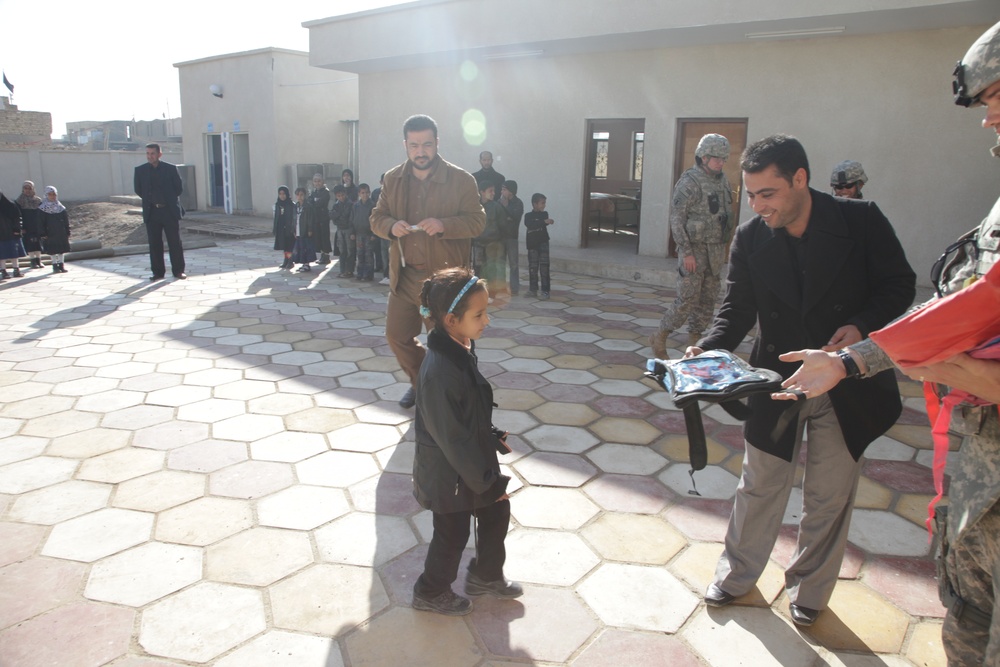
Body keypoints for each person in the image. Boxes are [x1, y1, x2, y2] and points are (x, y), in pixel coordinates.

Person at [774, 22, 1000, 662]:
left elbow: (929, 303)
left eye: (996, 98)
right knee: (966, 619)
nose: (988, 121)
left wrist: (861, 358)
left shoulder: (866, 222)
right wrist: (853, 360)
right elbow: (960, 310)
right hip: (980, 477)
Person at [693, 134, 916, 627]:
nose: (757, 205)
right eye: (750, 195)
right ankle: (736, 576)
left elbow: (899, 284)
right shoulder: (751, 236)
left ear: (800, 179)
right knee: (759, 484)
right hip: (779, 377)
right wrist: (708, 349)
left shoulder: (861, 220)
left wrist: (861, 326)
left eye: (767, 194)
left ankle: (810, 591)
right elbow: (736, 307)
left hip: (847, 379)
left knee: (829, 493)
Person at [411, 266, 521, 615]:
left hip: (467, 466)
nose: (486, 320)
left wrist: (490, 437)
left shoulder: (459, 348)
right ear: (450, 320)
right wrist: (488, 483)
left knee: (496, 510)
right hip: (449, 475)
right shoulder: (440, 372)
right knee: (453, 532)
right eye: (479, 314)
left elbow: (465, 417)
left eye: (486, 310)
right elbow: (453, 440)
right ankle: (430, 591)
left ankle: (486, 576)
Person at [370, 113, 486, 409]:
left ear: (437, 143)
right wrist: (390, 226)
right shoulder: (393, 179)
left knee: (449, 345)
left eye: (427, 145)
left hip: (444, 283)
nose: (420, 152)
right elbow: (376, 218)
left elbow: (477, 222)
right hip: (406, 277)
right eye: (414, 145)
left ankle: (456, 397)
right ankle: (421, 382)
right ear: (405, 145)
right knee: (397, 336)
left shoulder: (461, 180)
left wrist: (445, 224)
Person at [649, 134, 735, 357]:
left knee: (707, 300)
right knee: (687, 299)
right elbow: (677, 219)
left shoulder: (723, 181)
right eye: (717, 158)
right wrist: (686, 252)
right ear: (703, 157)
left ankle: (695, 345)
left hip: (715, 250)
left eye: (724, 159)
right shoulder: (689, 182)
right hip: (694, 251)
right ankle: (660, 335)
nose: (721, 163)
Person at [134, 143, 185, 281]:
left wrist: (167, 199)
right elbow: (138, 190)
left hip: (169, 211)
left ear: (159, 154)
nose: (150, 156)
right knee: (154, 243)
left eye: (153, 153)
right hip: (152, 212)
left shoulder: (170, 169)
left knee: (174, 242)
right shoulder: (140, 171)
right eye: (148, 153)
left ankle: (178, 271)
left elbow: (178, 189)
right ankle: (157, 272)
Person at [472, 181, 508, 297]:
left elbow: (503, 225)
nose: (493, 193)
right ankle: (477, 292)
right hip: (478, 242)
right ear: (482, 192)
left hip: (493, 243)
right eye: (490, 191)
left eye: (494, 191)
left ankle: (491, 293)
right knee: (477, 268)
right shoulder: (475, 207)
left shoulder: (497, 207)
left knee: (491, 269)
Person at [523, 192, 554, 299]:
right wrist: (543, 222)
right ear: (534, 204)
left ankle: (545, 290)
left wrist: (544, 221)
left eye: (544, 203)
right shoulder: (528, 216)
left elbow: (542, 222)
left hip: (543, 243)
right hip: (532, 245)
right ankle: (533, 289)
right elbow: (530, 224)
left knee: (544, 267)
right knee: (533, 268)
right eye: (542, 203)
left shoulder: (544, 214)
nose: (544, 205)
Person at [498, 180, 524, 296]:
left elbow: (515, 217)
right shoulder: (499, 202)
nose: (502, 191)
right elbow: (499, 218)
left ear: (511, 191)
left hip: (512, 237)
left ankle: (514, 288)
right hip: (500, 236)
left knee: (513, 264)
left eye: (504, 189)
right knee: (501, 263)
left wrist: (507, 208)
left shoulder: (518, 203)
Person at [39, 186, 71, 274]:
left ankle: (61, 265)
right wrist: (43, 233)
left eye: (54, 194)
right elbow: (41, 222)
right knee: (52, 250)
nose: (52, 196)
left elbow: (66, 220)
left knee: (61, 249)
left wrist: (67, 231)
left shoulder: (60, 207)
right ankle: (54, 265)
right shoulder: (43, 208)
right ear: (46, 195)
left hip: (61, 231)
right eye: (50, 194)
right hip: (50, 232)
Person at [15, 181, 43, 270]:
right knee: (30, 243)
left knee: (38, 242)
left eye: (29, 188)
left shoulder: (38, 200)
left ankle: (39, 260)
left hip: (36, 225)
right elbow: (18, 215)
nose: (27, 190)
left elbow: (41, 214)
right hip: (26, 225)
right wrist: (21, 227)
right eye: (25, 188)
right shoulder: (19, 201)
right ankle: (32, 261)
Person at [352, 183, 376, 281]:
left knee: (368, 255)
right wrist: (352, 232)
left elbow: (375, 221)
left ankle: (368, 274)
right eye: (362, 193)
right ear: (359, 194)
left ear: (369, 193)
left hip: (369, 234)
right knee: (360, 254)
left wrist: (374, 234)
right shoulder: (356, 206)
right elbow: (352, 219)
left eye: (366, 193)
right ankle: (360, 273)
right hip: (358, 234)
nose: (365, 195)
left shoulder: (372, 205)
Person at [308, 173, 332, 266]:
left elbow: (320, 203)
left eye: (319, 181)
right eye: (315, 181)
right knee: (318, 236)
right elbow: (310, 202)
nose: (317, 183)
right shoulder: (314, 192)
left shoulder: (326, 192)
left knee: (324, 236)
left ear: (323, 182)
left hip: (323, 218)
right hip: (316, 217)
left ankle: (326, 255)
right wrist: (314, 202)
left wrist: (314, 202)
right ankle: (322, 254)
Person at [291, 187, 317, 273]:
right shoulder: (296, 206)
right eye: (298, 195)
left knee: (306, 247)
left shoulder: (308, 206)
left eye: (301, 195)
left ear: (305, 195)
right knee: (300, 247)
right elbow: (294, 219)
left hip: (305, 230)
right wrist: (294, 230)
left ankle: (307, 264)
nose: (299, 197)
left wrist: (310, 229)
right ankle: (303, 263)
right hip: (298, 229)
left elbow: (310, 219)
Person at [331, 185, 355, 278]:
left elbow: (351, 218)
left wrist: (352, 231)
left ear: (345, 194)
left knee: (350, 250)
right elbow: (333, 216)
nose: (341, 197)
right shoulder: (336, 205)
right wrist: (339, 217)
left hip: (348, 229)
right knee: (342, 251)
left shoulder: (350, 204)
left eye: (342, 195)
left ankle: (349, 270)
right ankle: (342, 270)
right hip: (340, 229)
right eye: (338, 196)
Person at [0, 192, 24, 279]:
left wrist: (17, 229)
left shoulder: (10, 205)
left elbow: (17, 217)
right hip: (1, 235)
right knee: (2, 255)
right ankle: (3, 271)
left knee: (14, 253)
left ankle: (16, 270)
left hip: (11, 233)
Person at [273, 186, 296, 270]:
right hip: (281, 227)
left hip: (289, 228)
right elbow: (276, 217)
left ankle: (290, 261)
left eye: (284, 194)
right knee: (284, 245)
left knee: (289, 245)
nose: (282, 196)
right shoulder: (278, 204)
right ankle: (286, 260)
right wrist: (275, 228)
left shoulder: (291, 204)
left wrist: (293, 228)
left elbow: (293, 217)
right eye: (280, 194)